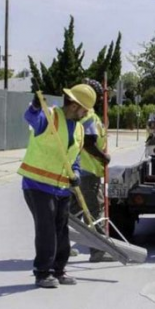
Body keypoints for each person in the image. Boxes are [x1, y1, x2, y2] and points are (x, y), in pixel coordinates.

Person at [18, 84, 96, 288]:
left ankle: (59, 270)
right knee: (47, 229)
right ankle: (42, 273)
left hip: (61, 187)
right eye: (84, 109)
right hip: (37, 184)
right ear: (74, 105)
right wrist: (35, 106)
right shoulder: (50, 117)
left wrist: (76, 173)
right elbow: (31, 117)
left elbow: (75, 157)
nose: (86, 113)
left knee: (62, 230)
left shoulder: (78, 127)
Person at [70, 78, 112, 262]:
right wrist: (104, 158)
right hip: (88, 171)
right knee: (94, 211)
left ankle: (61, 244)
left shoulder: (79, 115)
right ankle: (99, 251)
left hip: (74, 170)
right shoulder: (90, 116)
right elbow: (89, 142)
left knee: (70, 211)